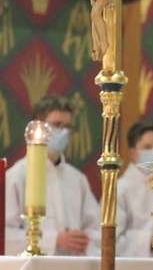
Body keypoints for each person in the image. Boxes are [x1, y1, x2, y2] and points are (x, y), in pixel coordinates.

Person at [5, 95, 101, 256]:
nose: (63, 132)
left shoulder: (77, 179)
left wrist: (82, 240)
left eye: (68, 127)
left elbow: (95, 227)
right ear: (40, 127)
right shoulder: (16, 176)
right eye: (57, 125)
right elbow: (5, 234)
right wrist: (54, 240)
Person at [116, 121, 153, 257]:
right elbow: (111, 241)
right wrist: (148, 240)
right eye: (148, 147)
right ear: (133, 153)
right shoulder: (120, 190)